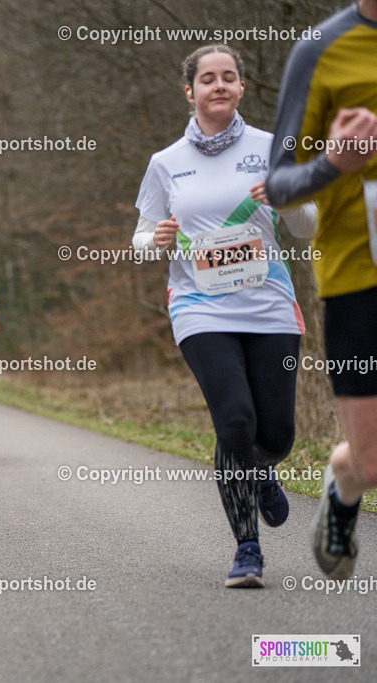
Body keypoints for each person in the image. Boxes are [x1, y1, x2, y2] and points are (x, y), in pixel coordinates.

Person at [133, 45, 317, 588]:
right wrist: (156, 239)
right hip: (199, 307)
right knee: (234, 421)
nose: (219, 85)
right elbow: (142, 239)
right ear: (189, 91)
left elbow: (306, 226)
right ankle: (247, 549)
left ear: (240, 88)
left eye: (229, 77)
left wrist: (286, 199)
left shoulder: (271, 147)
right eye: (207, 79)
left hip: (268, 307)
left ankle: (262, 470)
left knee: (277, 434)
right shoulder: (165, 163)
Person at [265, 1, 377, 581]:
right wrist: (334, 162)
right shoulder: (321, 48)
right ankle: (344, 480)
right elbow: (279, 182)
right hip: (359, 279)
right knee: (371, 461)